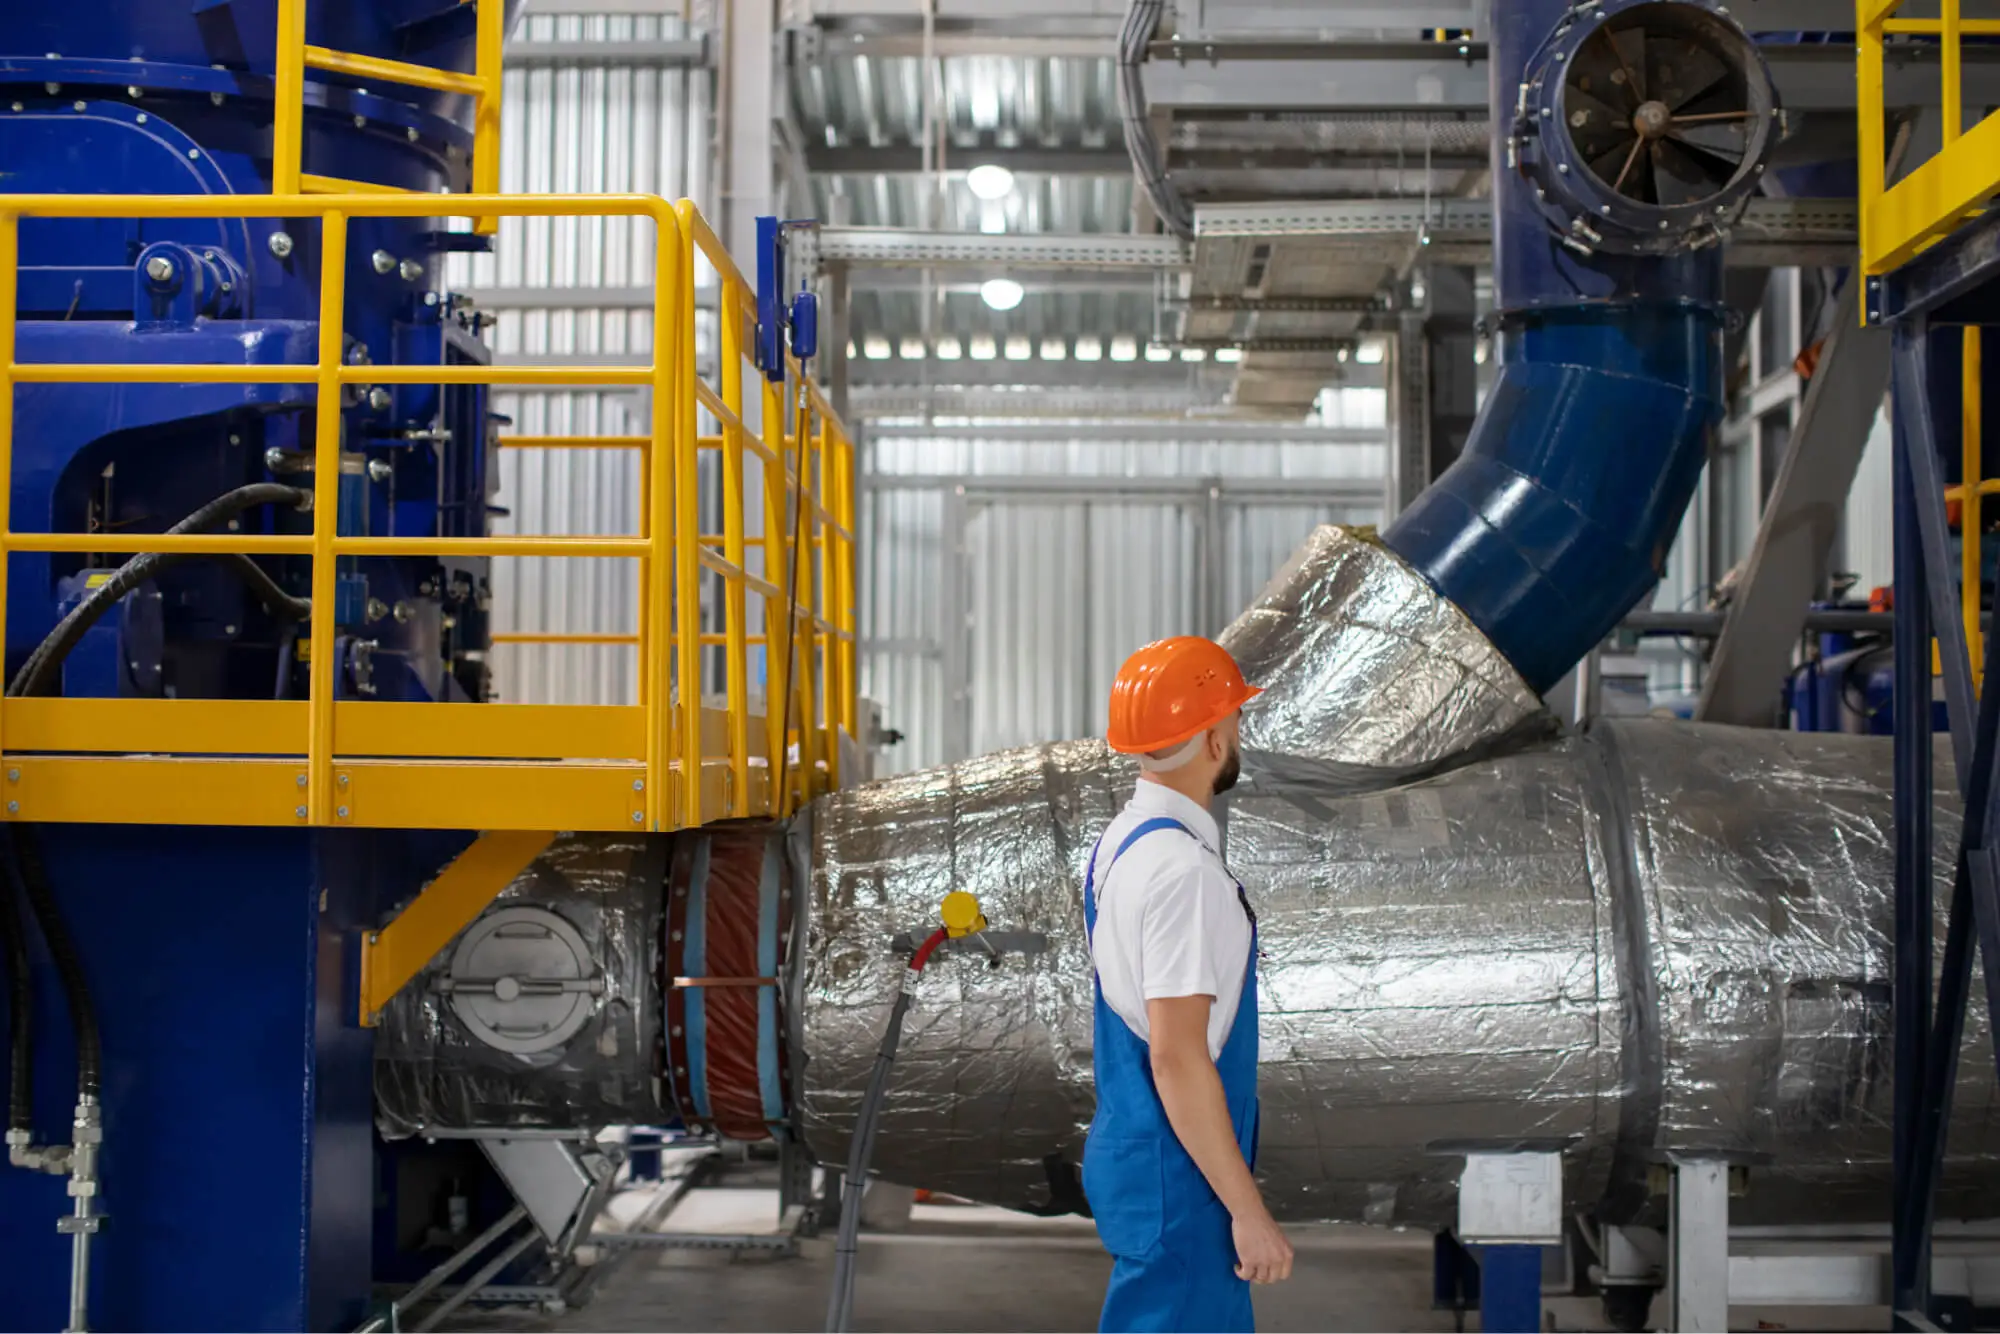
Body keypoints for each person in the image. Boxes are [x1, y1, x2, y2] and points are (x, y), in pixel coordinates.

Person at [1081, 635, 1294, 1333]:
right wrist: (1248, 1211)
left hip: (1145, 1154)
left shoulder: (1122, 843)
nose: (1237, 733)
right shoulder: (1182, 875)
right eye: (1232, 720)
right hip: (1183, 1179)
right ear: (1210, 741)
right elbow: (1176, 1057)